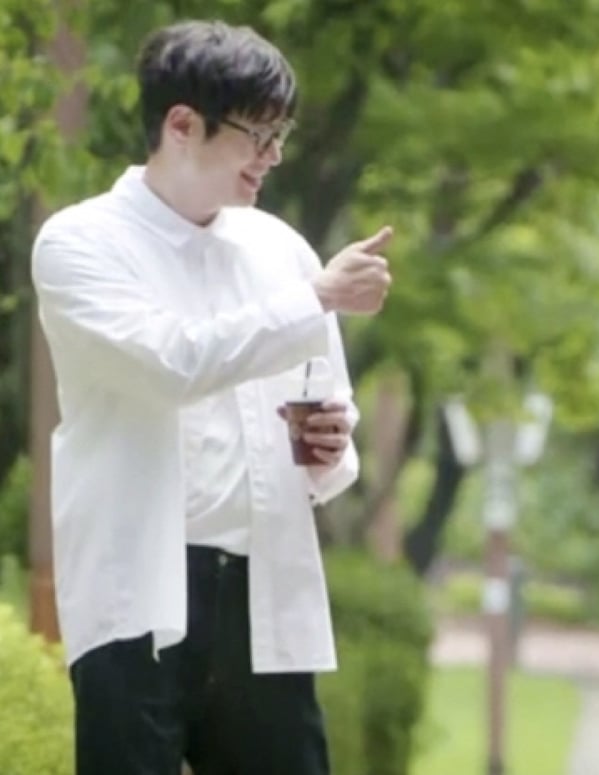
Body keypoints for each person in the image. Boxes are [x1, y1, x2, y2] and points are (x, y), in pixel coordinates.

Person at [31, 19, 392, 775]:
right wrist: (317, 297)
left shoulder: (279, 249)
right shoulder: (80, 244)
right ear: (182, 125)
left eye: (280, 135)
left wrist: (329, 447)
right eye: (258, 135)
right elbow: (173, 362)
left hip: (260, 584)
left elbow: (325, 403)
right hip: (138, 586)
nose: (273, 156)